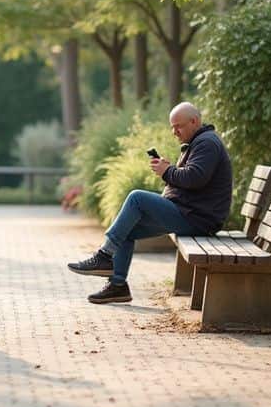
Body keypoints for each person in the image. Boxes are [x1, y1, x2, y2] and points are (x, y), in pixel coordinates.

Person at [67, 102, 233, 304]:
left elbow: (195, 178)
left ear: (194, 121)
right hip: (188, 212)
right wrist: (168, 170)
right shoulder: (199, 142)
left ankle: (104, 255)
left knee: (137, 197)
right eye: (172, 127)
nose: (174, 132)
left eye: (178, 126)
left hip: (197, 219)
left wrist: (168, 171)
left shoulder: (207, 143)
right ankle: (117, 286)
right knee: (126, 230)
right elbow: (190, 180)